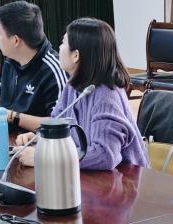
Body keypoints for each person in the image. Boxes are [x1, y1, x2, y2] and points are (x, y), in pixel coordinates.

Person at [13, 17, 147, 171]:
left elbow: (105, 155)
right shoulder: (72, 86)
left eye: (63, 42)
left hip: (125, 179)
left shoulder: (106, 96)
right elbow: (57, 123)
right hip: (90, 176)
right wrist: (39, 139)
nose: (59, 47)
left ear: (75, 55)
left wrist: (45, 158)